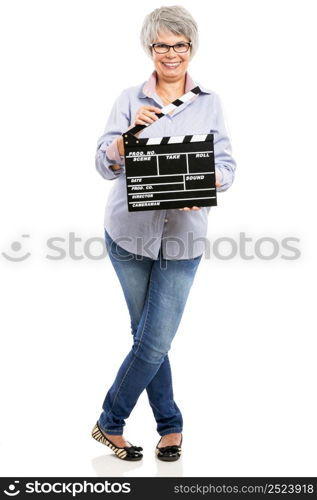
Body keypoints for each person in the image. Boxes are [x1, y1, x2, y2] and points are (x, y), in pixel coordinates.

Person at [91, 5, 236, 461]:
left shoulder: (210, 102)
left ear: (191, 48)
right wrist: (125, 138)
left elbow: (227, 166)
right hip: (129, 236)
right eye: (161, 45)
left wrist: (206, 184)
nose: (171, 54)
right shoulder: (128, 98)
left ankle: (109, 421)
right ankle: (170, 426)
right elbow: (102, 163)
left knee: (153, 339)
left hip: (183, 237)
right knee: (148, 337)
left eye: (179, 45)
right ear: (149, 49)